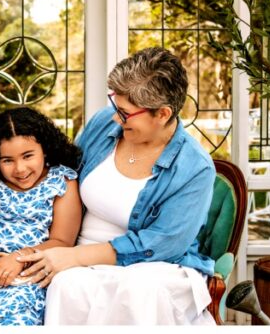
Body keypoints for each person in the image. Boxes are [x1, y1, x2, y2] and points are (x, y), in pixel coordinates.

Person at [14, 47, 214, 325]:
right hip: (77, 255)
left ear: (163, 114)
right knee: (67, 286)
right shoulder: (102, 126)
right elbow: (62, 176)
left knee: (137, 292)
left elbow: (162, 244)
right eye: (115, 106)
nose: (115, 119)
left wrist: (73, 256)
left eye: (125, 113)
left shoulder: (194, 167)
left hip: (157, 268)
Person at [0, 108, 83, 325]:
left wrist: (19, 258)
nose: (20, 169)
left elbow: (63, 242)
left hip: (34, 274)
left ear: (45, 150)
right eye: (7, 160)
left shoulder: (62, 182)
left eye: (28, 156)